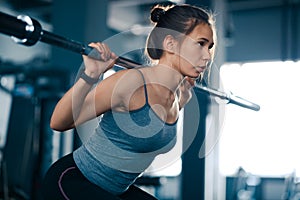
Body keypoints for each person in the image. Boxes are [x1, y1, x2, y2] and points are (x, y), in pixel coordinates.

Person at [42, 3, 215, 200]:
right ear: (170, 44)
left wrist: (181, 101)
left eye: (210, 47)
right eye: (200, 44)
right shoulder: (131, 83)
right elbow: (58, 122)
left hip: (114, 191)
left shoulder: (177, 98)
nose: (207, 56)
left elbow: (153, 132)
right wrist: (90, 75)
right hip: (74, 180)